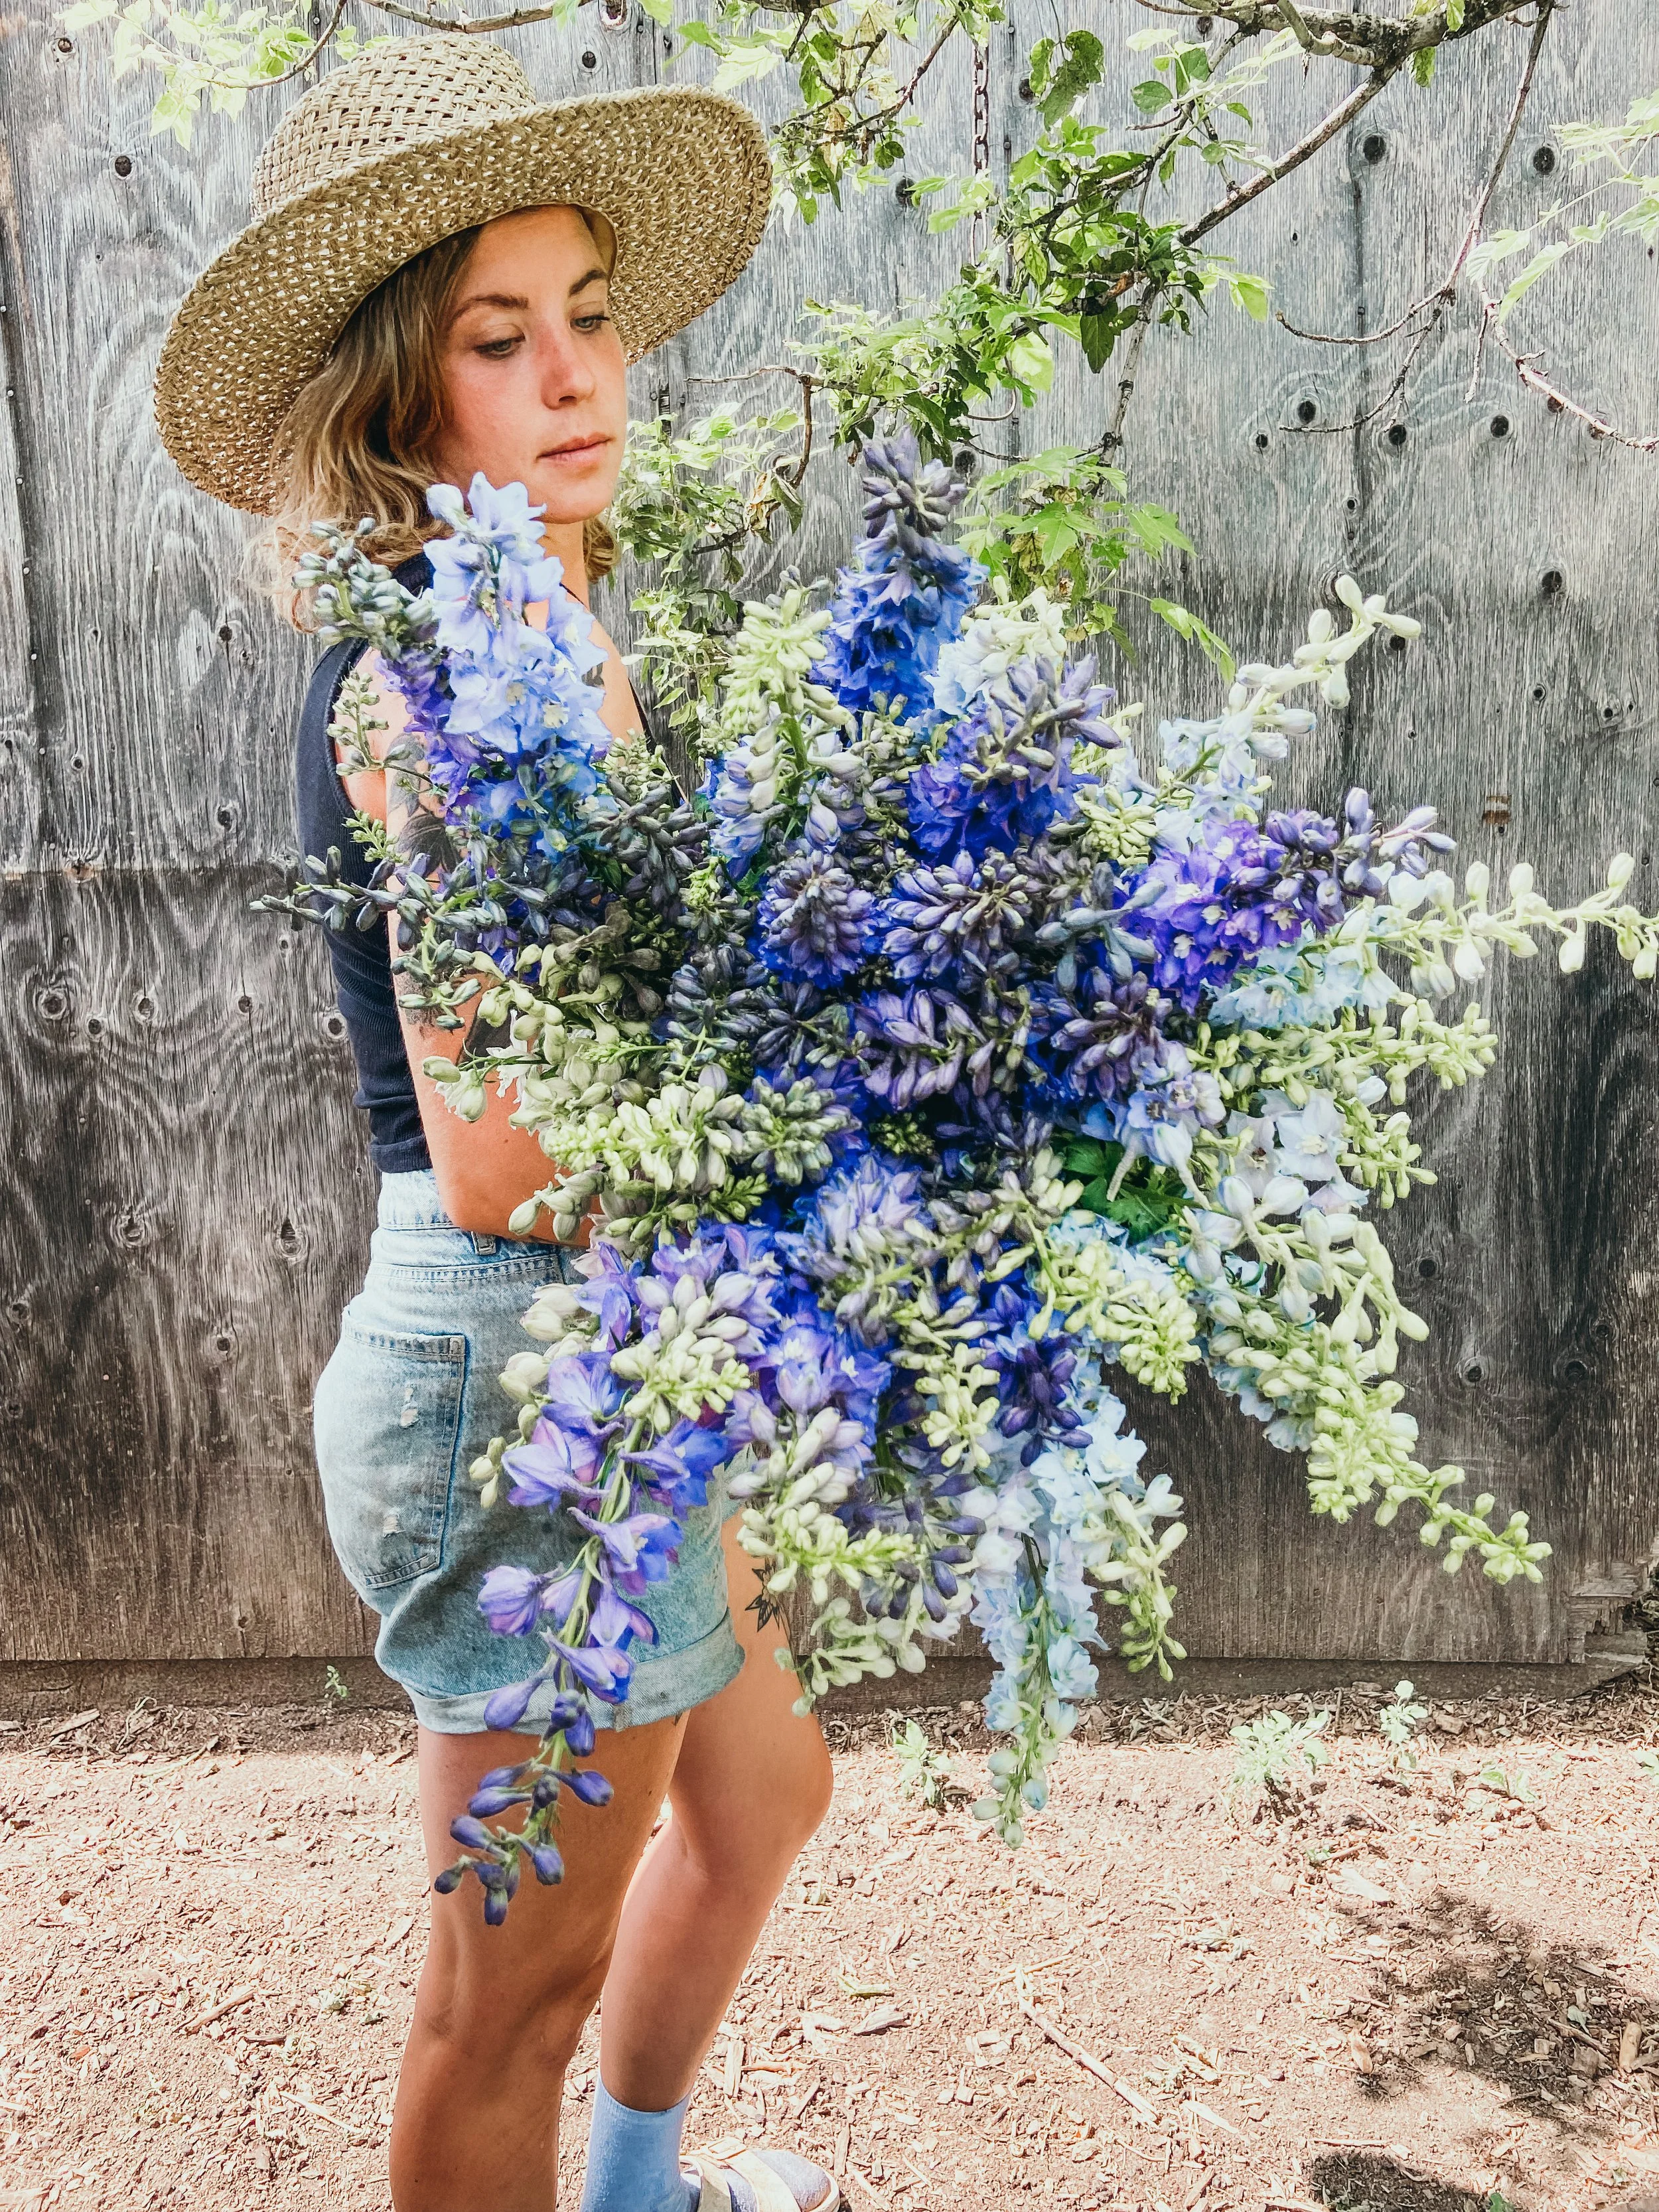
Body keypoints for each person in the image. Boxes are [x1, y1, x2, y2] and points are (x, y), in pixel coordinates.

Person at [155, 37, 838, 2212]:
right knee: (498, 2005)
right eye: (494, 332)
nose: (571, 370)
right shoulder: (429, 680)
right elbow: (502, 1154)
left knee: (766, 1789)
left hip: (633, 1330)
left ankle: (632, 2191)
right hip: (515, 1369)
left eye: (591, 312)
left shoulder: (559, 623)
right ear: (395, 391)